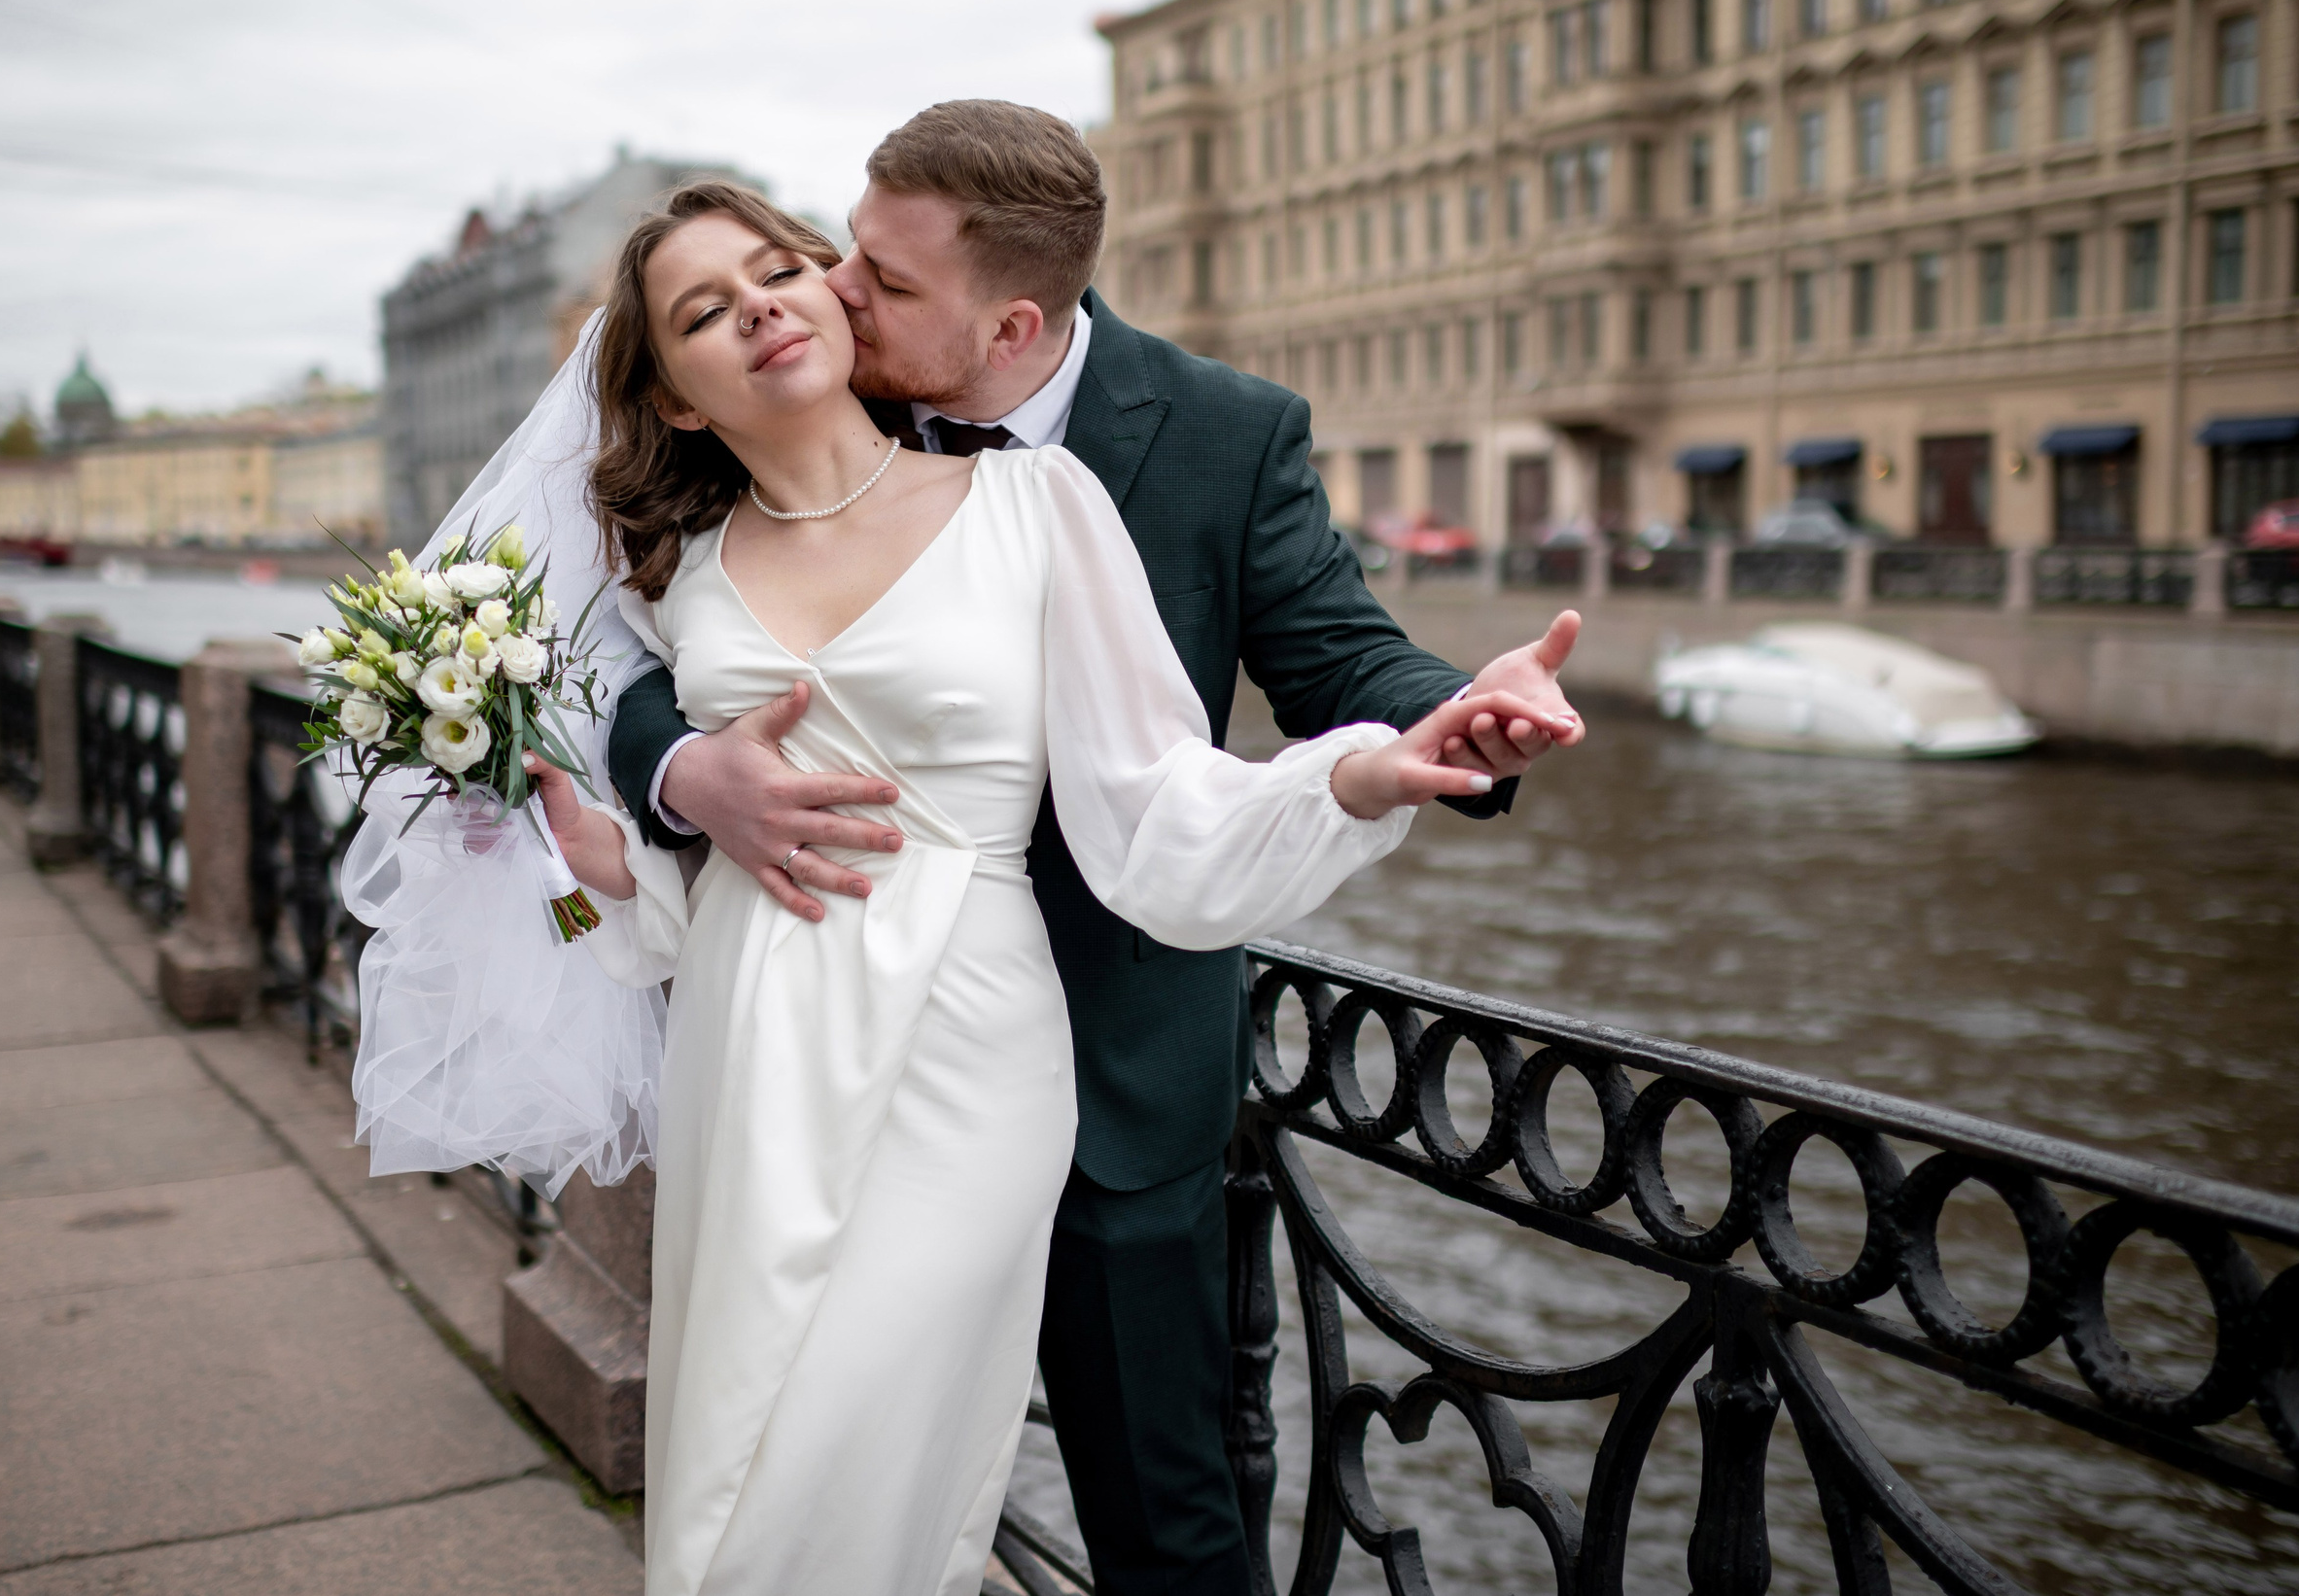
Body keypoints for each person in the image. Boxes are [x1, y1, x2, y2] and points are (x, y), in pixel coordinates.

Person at [508, 179, 1574, 1594]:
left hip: (982, 1036)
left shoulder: (1047, 494)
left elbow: (1161, 789)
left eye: (786, 269)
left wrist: (1376, 766)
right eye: (708, 309)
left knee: (884, 1446)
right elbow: (642, 836)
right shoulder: (680, 573)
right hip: (751, 1039)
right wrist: (619, 851)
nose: (773, 299)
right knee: (740, 1449)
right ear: (682, 399)